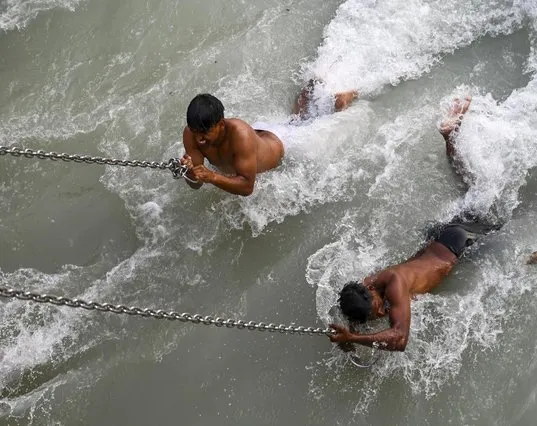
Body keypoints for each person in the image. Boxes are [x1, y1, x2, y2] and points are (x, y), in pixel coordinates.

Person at [328, 96, 500, 352]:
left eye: (375, 310)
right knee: (471, 195)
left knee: (490, 205)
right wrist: (349, 335)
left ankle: (451, 138)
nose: (378, 314)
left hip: (457, 242)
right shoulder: (366, 287)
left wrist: (353, 339)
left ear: (372, 295)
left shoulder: (395, 284)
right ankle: (451, 137)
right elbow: (361, 314)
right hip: (436, 242)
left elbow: (400, 340)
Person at [180, 81, 358, 196]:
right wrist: (188, 171)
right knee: (296, 118)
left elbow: (247, 186)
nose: (199, 138)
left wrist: (213, 177)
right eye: (195, 131)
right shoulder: (191, 134)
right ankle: (312, 87)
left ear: (221, 124)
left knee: (310, 122)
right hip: (261, 133)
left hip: (282, 143)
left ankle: (342, 99)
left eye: (204, 132)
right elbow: (196, 183)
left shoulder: (239, 135)